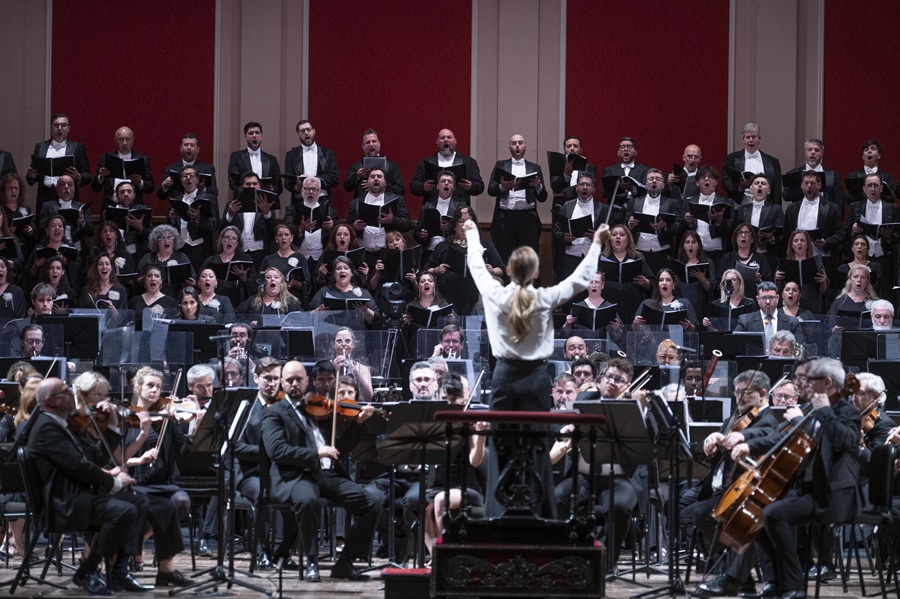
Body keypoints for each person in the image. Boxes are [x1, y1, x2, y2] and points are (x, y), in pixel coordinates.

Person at [463, 213, 608, 519]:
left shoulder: (495, 292)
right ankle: (540, 514)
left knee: (501, 444)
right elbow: (580, 280)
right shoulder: (545, 297)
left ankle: (498, 515)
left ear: (510, 270)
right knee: (537, 446)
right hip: (535, 379)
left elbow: (477, 267)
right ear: (537, 271)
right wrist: (596, 245)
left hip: (504, 378)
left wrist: (473, 235)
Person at [731, 358, 862, 599]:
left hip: (833, 494)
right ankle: (774, 583)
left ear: (827, 382)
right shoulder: (811, 409)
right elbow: (778, 438)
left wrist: (817, 414)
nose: (803, 384)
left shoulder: (847, 412)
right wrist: (749, 445)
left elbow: (846, 440)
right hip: (808, 490)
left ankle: (792, 586)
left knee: (774, 514)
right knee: (757, 510)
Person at [260, 360, 382, 582]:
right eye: (289, 380)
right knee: (307, 502)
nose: (295, 384)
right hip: (299, 475)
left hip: (328, 475)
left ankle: (345, 563)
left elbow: (338, 451)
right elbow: (276, 450)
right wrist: (315, 453)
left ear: (307, 381)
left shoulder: (322, 409)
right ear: (282, 383)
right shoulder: (275, 413)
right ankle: (312, 562)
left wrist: (359, 424)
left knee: (372, 504)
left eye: (299, 379)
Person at [26, 377, 146, 595]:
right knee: (124, 510)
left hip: (77, 496)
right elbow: (79, 467)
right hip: (63, 504)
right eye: (65, 392)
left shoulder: (60, 424)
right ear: (49, 400)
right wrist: (114, 482)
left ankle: (118, 572)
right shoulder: (46, 428)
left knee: (139, 501)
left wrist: (112, 426)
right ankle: (87, 571)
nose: (71, 394)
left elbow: (94, 460)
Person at [691, 370, 781, 597]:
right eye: (736, 392)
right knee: (695, 511)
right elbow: (709, 451)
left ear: (762, 394)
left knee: (709, 515)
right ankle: (741, 578)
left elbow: (765, 433)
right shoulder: (734, 419)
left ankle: (731, 576)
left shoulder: (768, 418)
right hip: (722, 489)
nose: (739, 398)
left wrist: (742, 438)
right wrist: (710, 441)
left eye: (745, 393)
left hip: (747, 492)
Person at [231, 356, 294, 569]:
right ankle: (263, 551)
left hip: (278, 472)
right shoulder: (244, 406)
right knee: (263, 495)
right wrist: (265, 453)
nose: (272, 383)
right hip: (249, 473)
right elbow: (234, 446)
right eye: (267, 378)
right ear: (256, 377)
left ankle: (285, 552)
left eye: (276, 379)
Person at [426, 206, 503, 316]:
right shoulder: (443, 247)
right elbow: (427, 270)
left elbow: (501, 268)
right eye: (461, 221)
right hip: (448, 297)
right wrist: (437, 270)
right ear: (454, 225)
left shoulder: (483, 245)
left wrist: (492, 270)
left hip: (476, 297)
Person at [487, 133, 548, 262]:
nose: (517, 146)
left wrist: (538, 186)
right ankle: (505, 282)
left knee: (528, 257)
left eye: (520, 143)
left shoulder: (535, 168)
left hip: (528, 218)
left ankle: (528, 283)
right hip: (505, 218)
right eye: (514, 143)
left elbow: (543, 197)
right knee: (504, 256)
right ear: (509, 147)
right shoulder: (501, 165)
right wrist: (503, 187)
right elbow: (491, 190)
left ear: (525, 146)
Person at [26, 113, 92, 215]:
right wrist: (31, 176)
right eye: (56, 125)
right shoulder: (40, 147)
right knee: (44, 228)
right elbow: (32, 178)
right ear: (51, 127)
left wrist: (78, 177)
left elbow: (87, 176)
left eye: (63, 125)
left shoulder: (78, 148)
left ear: (69, 128)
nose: (59, 128)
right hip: (45, 197)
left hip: (68, 197)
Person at [846, 173, 898, 298]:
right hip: (862, 257)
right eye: (869, 185)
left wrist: (889, 236)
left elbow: (897, 235)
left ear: (881, 188)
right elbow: (848, 233)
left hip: (884, 257)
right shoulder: (855, 207)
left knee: (884, 292)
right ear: (864, 189)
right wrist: (853, 230)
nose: (873, 189)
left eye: (876, 186)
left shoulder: (892, 208)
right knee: (862, 292)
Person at [552, 173, 610, 283]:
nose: (584, 187)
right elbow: (556, 231)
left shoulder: (603, 209)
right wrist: (564, 237)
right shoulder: (565, 208)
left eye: (588, 185)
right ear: (576, 188)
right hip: (570, 257)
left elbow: (611, 233)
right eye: (581, 184)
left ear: (593, 189)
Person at [625, 169, 683, 275]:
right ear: (646, 185)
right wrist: (630, 224)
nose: (654, 181)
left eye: (658, 179)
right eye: (651, 179)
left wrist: (665, 226)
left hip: (662, 255)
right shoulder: (634, 202)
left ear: (663, 185)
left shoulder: (672, 203)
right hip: (639, 254)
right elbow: (625, 226)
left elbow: (678, 226)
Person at [165, 165, 221, 272]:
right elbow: (167, 229)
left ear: (197, 179)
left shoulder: (208, 198)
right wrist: (172, 219)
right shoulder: (175, 201)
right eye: (185, 176)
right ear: (181, 181)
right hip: (181, 248)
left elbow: (215, 224)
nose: (188, 178)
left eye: (191, 175)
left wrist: (199, 217)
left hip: (201, 249)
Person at [347, 167, 412, 256]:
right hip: (363, 253)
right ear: (367, 181)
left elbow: (407, 224)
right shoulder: (355, 203)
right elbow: (347, 227)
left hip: (388, 253)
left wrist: (392, 220)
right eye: (372, 177)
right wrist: (354, 226)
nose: (376, 179)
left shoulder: (397, 199)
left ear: (385, 182)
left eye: (379, 176)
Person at [410, 128, 484, 206]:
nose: (446, 140)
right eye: (442, 138)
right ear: (437, 142)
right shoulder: (425, 162)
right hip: (432, 207)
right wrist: (423, 187)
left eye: (449, 137)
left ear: (455, 141)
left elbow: (480, 186)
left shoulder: (469, 162)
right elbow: (413, 186)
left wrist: (471, 186)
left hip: (459, 209)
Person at [220, 171, 277, 271]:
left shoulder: (266, 205)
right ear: (242, 186)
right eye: (248, 184)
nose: (251, 186)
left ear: (260, 186)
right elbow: (221, 230)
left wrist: (266, 212)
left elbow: (274, 231)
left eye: (254, 184)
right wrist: (230, 215)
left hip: (259, 253)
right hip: (238, 252)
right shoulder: (233, 204)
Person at [599, 224, 654, 325]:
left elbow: (652, 281)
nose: (618, 237)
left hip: (632, 301)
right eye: (614, 234)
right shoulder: (602, 258)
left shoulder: (637, 257)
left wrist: (645, 282)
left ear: (628, 239)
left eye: (622, 235)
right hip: (609, 300)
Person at [281, 177, 337, 273]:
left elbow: (338, 230)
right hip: (299, 255)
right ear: (302, 190)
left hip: (320, 256)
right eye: (307, 189)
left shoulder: (329, 210)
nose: (310, 192)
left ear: (319, 192)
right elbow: (287, 228)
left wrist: (331, 226)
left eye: (314, 189)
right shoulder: (292, 209)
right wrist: (300, 228)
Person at [91, 126, 154, 211]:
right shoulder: (105, 159)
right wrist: (101, 176)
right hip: (111, 207)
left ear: (132, 140)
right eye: (121, 139)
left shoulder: (142, 159)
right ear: (115, 140)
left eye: (127, 139)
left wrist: (140, 182)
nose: (124, 143)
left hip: (135, 208)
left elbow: (150, 187)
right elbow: (95, 187)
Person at [681, 166, 734, 266]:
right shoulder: (689, 202)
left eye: (710, 177)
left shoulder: (726, 202)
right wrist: (687, 221)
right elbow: (681, 229)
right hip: (695, 254)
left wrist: (719, 220)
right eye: (702, 177)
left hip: (717, 253)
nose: (706, 179)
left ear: (716, 182)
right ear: (697, 183)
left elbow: (729, 230)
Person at [722, 122, 783, 206]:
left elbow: (776, 191)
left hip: (765, 210)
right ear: (743, 140)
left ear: (759, 139)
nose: (751, 140)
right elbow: (726, 184)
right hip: (739, 208)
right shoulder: (731, 159)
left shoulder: (773, 162)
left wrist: (776, 211)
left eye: (754, 137)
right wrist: (740, 187)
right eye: (748, 137)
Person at [310, 256, 380, 328]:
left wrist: (365, 310)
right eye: (338, 268)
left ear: (352, 273)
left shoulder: (363, 293)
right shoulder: (324, 292)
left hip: (357, 336)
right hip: (330, 334)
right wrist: (317, 313)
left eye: (346, 268)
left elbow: (376, 320)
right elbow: (307, 316)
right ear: (334, 274)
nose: (342, 271)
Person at [199, 226, 258, 309]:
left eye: (234, 238)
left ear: (237, 243)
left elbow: (254, 286)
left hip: (238, 303)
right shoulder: (211, 261)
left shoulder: (245, 259)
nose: (230, 240)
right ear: (222, 240)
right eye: (227, 237)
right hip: (213, 303)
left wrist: (244, 279)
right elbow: (200, 281)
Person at [283, 119, 340, 203]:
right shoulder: (291, 154)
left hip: (322, 200)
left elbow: (334, 178)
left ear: (314, 131)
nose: (306, 133)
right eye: (302, 131)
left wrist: (312, 181)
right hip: (300, 200)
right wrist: (297, 187)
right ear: (298, 135)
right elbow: (288, 183)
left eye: (308, 130)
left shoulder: (327, 153)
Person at [736, 174, 783, 271]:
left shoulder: (776, 209)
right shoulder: (741, 210)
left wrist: (771, 238)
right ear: (751, 189)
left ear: (769, 191)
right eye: (757, 183)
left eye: (763, 183)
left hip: (767, 255)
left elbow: (782, 235)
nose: (760, 185)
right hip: (745, 256)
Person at [775, 229, 828, 314]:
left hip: (811, 304)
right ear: (792, 245)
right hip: (790, 306)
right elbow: (777, 290)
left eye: (802, 240)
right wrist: (777, 280)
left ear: (807, 244)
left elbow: (825, 292)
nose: (799, 243)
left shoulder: (816, 263)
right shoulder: (784, 264)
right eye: (796, 241)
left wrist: (823, 282)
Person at [734, 281, 805, 345]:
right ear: (758, 299)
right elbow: (735, 345)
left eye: (771, 297)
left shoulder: (792, 322)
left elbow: (801, 348)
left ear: (777, 298)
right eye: (764, 298)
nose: (768, 301)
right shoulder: (745, 321)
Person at [136, 224, 197, 298]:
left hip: (177, 297)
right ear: (156, 242)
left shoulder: (182, 257)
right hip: (152, 297)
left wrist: (192, 283)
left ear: (174, 240)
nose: (166, 241)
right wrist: (146, 278)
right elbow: (137, 282)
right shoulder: (148, 257)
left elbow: (193, 280)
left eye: (169, 237)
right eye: (162, 238)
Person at [260, 224, 312, 309]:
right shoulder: (268, 259)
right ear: (276, 239)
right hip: (273, 303)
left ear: (291, 238)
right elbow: (260, 282)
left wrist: (296, 283)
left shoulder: (300, 258)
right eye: (280, 235)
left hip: (294, 302)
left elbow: (308, 285)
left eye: (286, 235)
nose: (283, 237)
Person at [342, 128, 404, 198]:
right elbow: (347, 187)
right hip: (363, 206)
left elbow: (400, 190)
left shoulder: (392, 166)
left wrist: (381, 186)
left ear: (379, 143)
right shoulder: (356, 166)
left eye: (374, 141)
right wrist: (357, 176)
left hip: (385, 205)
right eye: (368, 142)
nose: (371, 144)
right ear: (363, 146)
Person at [226, 121, 283, 196]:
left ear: (262, 137)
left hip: (266, 201)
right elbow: (233, 182)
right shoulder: (236, 157)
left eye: (257, 133)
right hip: (243, 201)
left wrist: (271, 189)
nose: (254, 135)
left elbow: (278, 186)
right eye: (250, 133)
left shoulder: (272, 159)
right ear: (245, 137)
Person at [156, 133, 219, 200]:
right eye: (186, 145)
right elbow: (161, 196)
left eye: (192, 145)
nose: (189, 148)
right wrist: (164, 186)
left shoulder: (207, 169)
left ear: (197, 149)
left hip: (199, 207)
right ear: (181, 148)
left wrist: (202, 189)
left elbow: (214, 193)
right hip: (177, 208)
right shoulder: (170, 169)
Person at [783, 138, 845, 206]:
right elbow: (786, 197)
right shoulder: (793, 174)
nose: (813, 152)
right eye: (809, 149)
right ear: (805, 152)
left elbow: (839, 201)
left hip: (824, 214)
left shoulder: (833, 175)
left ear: (822, 153)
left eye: (817, 150)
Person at [633, 268, 699, 332]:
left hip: (677, 342)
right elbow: (636, 331)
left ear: (673, 285)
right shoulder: (647, 303)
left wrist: (689, 326)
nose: (664, 283)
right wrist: (636, 323)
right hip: (653, 342)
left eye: (668, 280)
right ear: (658, 285)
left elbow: (695, 330)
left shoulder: (684, 303)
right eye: (661, 280)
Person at [548, 135, 597, 208]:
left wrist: (565, 193)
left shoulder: (589, 167)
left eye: (575, 146)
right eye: (569, 146)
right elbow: (555, 187)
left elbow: (588, 187)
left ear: (581, 150)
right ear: (564, 149)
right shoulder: (557, 166)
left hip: (583, 206)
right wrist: (566, 175)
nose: (572, 149)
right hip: (561, 206)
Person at [236, 267, 302, 320]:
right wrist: (249, 324)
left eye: (276, 277)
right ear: (263, 282)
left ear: (281, 283)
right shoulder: (253, 300)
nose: (272, 279)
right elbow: (236, 315)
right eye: (268, 277)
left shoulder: (290, 302)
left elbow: (302, 320)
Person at [601, 137, 650, 205]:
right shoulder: (609, 170)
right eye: (623, 147)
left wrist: (632, 188)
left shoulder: (645, 170)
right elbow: (605, 193)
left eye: (629, 146)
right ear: (618, 152)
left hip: (636, 207)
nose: (626, 149)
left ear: (635, 152)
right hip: (616, 208)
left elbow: (646, 193)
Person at [129, 264, 177, 329]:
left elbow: (173, 327)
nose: (153, 279)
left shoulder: (170, 302)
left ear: (161, 280)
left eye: (156, 276)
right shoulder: (134, 301)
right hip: (138, 338)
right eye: (149, 276)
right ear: (145, 280)